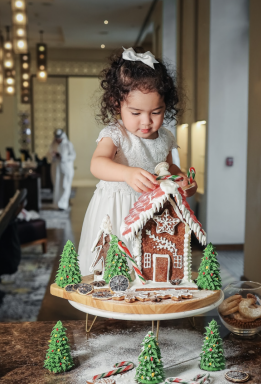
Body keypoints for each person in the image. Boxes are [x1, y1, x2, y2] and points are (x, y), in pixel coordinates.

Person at [78, 47, 197, 275]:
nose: (146, 121)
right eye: (135, 113)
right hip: (117, 209)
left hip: (153, 211)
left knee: (148, 268)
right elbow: (98, 163)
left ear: (166, 106)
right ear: (116, 104)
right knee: (117, 270)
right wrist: (126, 173)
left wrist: (183, 181)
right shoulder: (116, 133)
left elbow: (169, 168)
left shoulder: (166, 137)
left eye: (156, 112)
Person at [48, 129, 76, 210]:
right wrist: (52, 155)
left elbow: (73, 156)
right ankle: (57, 204)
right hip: (56, 169)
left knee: (65, 186)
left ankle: (63, 204)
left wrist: (62, 157)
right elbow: (48, 156)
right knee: (57, 186)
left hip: (66, 169)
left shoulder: (68, 144)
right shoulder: (53, 145)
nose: (58, 140)